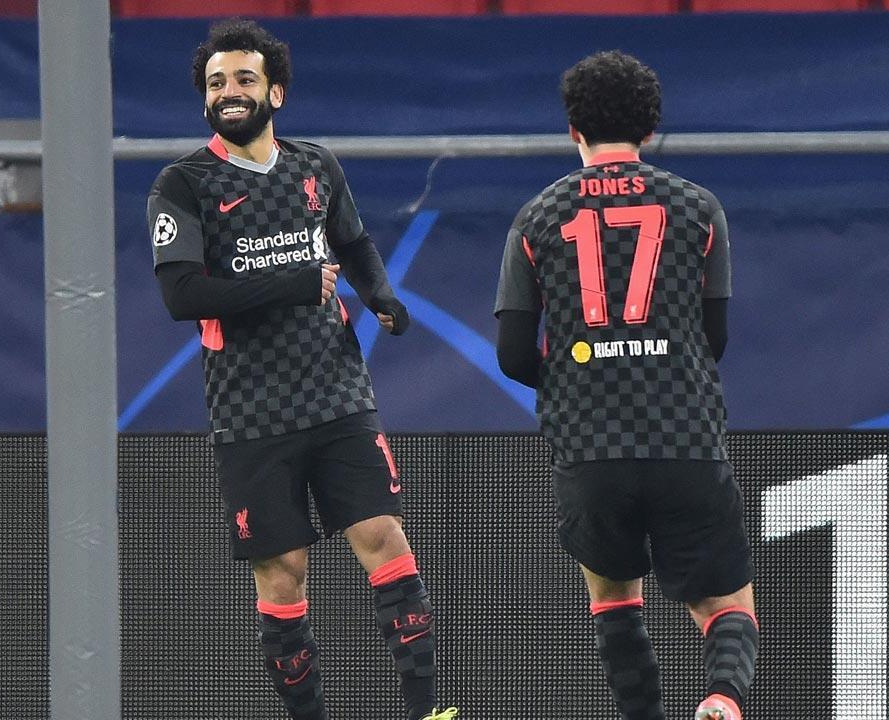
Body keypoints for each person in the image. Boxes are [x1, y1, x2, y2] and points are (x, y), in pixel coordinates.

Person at [147, 18, 457, 720]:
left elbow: (352, 241)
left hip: (338, 393)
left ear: (276, 91)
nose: (229, 92)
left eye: (244, 79)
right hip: (249, 412)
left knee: (385, 538)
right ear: (204, 99)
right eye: (216, 82)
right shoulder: (182, 183)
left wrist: (381, 297)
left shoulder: (316, 165)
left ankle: (428, 710)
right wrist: (292, 282)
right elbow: (182, 296)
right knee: (283, 576)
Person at [493, 50, 758, 720]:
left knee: (613, 597)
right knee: (727, 606)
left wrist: (578, 378)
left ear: (573, 131)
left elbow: (513, 354)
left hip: (591, 445)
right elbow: (714, 337)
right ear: (649, 130)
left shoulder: (535, 217)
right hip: (685, 438)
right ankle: (723, 700)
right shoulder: (698, 208)